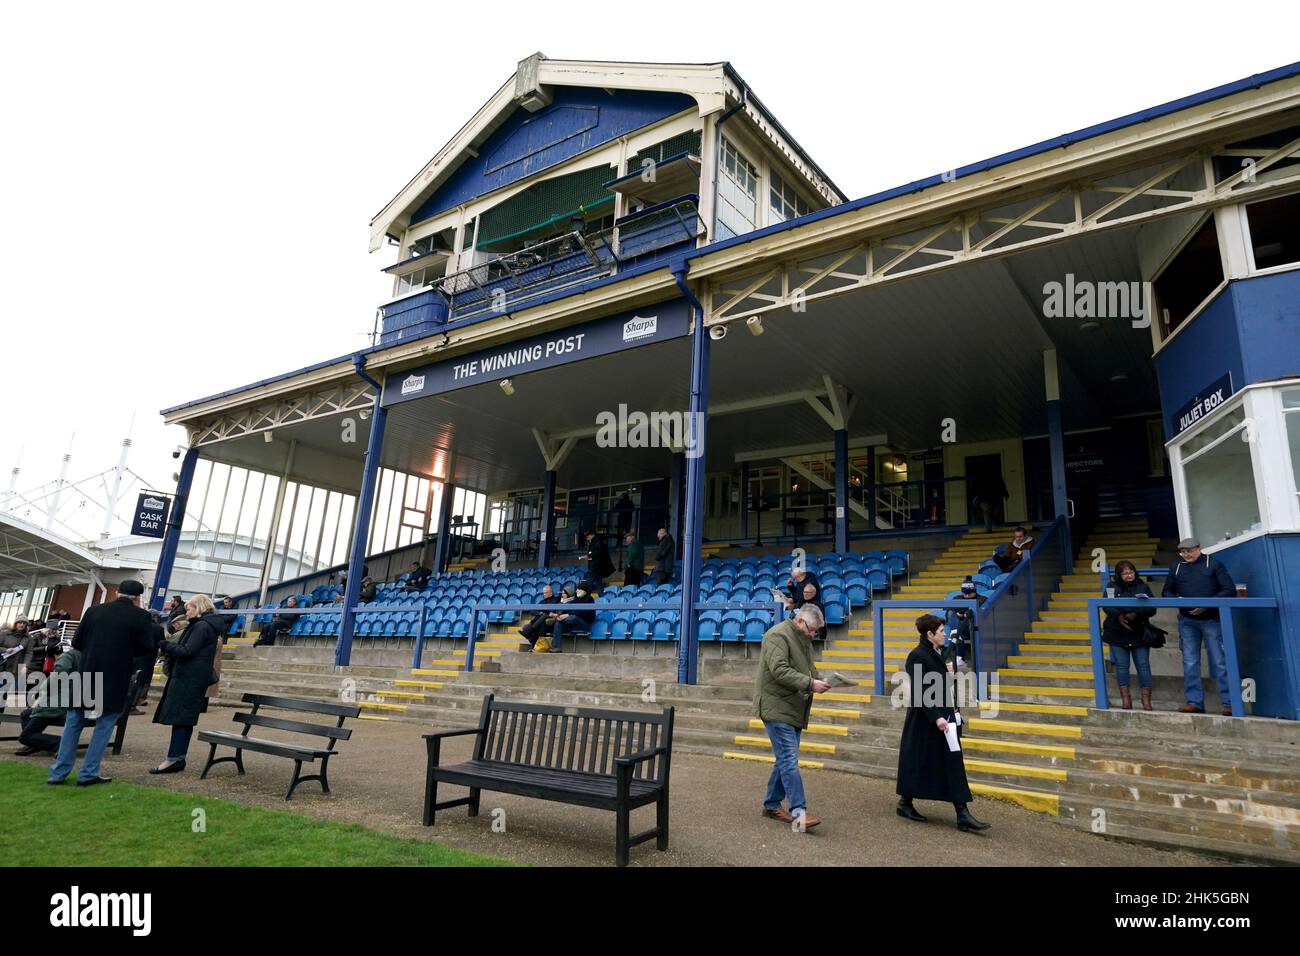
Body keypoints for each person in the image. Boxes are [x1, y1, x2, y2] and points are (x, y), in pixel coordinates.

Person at [48, 579, 153, 787]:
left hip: (88, 670)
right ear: (138, 598)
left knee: (74, 720)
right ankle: (88, 772)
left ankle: (58, 773)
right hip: (116, 675)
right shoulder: (141, 616)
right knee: (105, 724)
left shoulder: (94, 611)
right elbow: (146, 648)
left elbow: (77, 643)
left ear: (116, 592)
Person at [896, 613, 990, 832]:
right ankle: (905, 803)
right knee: (919, 760)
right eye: (940, 631)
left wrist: (949, 677)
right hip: (926, 719)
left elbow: (939, 685)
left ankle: (962, 812)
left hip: (943, 716)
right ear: (929, 634)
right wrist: (936, 716)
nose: (944, 633)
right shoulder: (917, 655)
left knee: (952, 761)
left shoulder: (938, 653)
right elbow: (919, 691)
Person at [752, 603, 830, 831]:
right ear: (800, 621)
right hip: (777, 707)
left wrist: (819, 679)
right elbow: (779, 670)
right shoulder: (777, 635)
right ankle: (799, 812)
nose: (813, 634)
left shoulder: (801, 638)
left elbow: (807, 668)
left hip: (791, 707)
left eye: (815, 631)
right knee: (788, 760)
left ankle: (771, 805)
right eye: (812, 629)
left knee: (784, 759)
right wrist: (810, 683)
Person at [150, 595, 224, 774]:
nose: (186, 612)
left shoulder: (202, 627)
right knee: (184, 720)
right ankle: (177, 757)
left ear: (198, 608)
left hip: (188, 678)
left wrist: (165, 645)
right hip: (192, 678)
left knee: (181, 719)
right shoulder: (206, 626)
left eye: (189, 608)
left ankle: (174, 758)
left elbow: (187, 651)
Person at [1162, 538, 1236, 715]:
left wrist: (1206, 605)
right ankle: (1194, 702)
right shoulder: (1176, 567)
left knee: (1219, 661)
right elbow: (1167, 591)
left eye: (1190, 550)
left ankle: (1229, 702)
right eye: (1183, 551)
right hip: (1187, 621)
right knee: (1190, 661)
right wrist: (1179, 602)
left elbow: (1229, 589)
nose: (1187, 554)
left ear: (1198, 549)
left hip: (1212, 619)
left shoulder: (1214, 564)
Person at [1103, 561, 1158, 711]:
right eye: (1125, 573)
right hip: (1117, 632)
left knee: (1143, 665)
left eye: (1131, 572)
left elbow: (1153, 608)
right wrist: (1120, 615)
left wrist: (1136, 614)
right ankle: (1126, 699)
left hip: (1139, 632)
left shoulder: (1142, 586)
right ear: (1119, 575)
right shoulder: (1111, 587)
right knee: (1121, 666)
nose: (1129, 575)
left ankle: (1146, 699)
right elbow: (1106, 606)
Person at [14, 644, 83, 756]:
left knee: (25, 737)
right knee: (26, 714)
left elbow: (57, 676)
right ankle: (35, 744)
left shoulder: (69, 656)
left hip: (57, 707)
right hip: (72, 705)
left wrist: (43, 691)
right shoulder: (86, 656)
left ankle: (63, 745)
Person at [538, 584, 595, 654]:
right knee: (558, 624)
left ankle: (557, 619)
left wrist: (567, 615)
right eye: (576, 589)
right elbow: (569, 610)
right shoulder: (576, 599)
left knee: (573, 617)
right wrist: (561, 615)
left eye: (579, 589)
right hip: (572, 624)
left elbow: (583, 612)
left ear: (584, 590)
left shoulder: (589, 599)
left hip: (585, 624)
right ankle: (556, 647)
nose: (576, 590)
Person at [945, 579, 985, 668]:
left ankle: (956, 633)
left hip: (975, 627)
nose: (966, 595)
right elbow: (951, 612)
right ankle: (960, 657)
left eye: (969, 593)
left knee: (957, 628)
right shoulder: (957, 598)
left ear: (974, 591)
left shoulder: (982, 599)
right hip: (960, 628)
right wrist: (962, 615)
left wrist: (962, 614)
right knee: (951, 613)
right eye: (965, 593)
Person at [128, 611, 163, 714]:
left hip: (134, 656)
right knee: (141, 681)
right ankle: (134, 704)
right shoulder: (158, 628)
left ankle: (130, 703)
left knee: (133, 679)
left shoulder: (137, 625)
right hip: (148, 657)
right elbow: (161, 643)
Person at [519, 585, 561, 650]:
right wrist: (539, 613)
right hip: (538, 620)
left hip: (548, 620)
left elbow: (550, 611)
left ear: (551, 593)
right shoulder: (542, 601)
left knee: (542, 622)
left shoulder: (555, 600)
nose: (544, 594)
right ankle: (532, 639)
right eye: (543, 593)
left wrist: (543, 612)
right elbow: (533, 611)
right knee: (525, 627)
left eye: (546, 592)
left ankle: (532, 643)